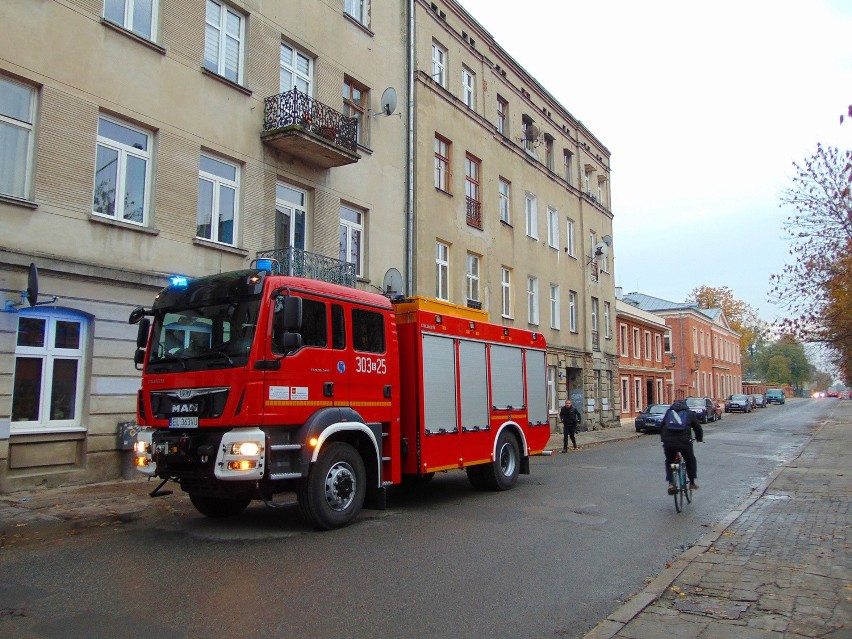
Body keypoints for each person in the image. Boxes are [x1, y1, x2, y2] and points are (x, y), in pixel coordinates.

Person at [660, 399, 704, 494]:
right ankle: (692, 483)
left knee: (670, 461)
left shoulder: (669, 412)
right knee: (690, 460)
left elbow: (662, 426)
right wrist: (699, 439)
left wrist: (663, 439)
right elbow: (698, 428)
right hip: (684, 442)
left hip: (669, 442)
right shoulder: (689, 413)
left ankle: (671, 483)